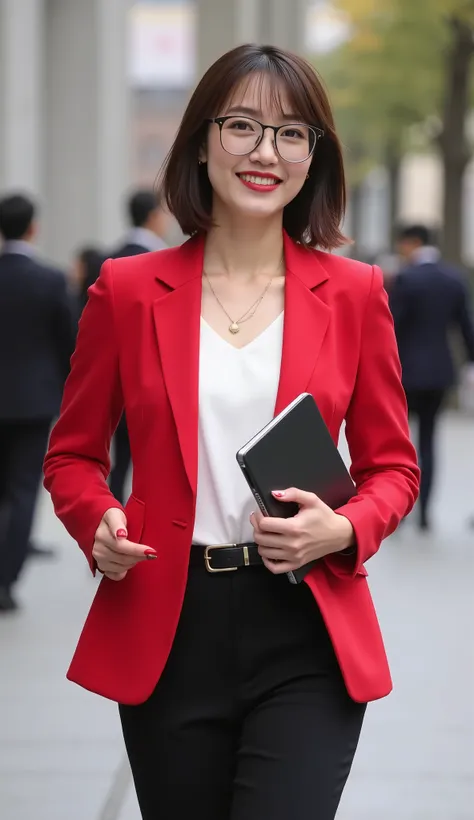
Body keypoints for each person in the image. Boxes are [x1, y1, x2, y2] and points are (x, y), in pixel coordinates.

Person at [44, 45, 419, 820]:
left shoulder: (354, 294)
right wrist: (98, 521)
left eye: (291, 133)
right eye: (243, 125)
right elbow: (74, 454)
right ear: (202, 140)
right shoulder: (128, 290)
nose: (264, 152)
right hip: (170, 626)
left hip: (306, 625)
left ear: (313, 156)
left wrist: (342, 527)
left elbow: (394, 469)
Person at [0, 192, 76, 611]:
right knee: (24, 488)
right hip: (33, 402)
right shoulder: (49, 280)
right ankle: (7, 578)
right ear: (33, 227)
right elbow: (68, 342)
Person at [391, 224, 474, 530]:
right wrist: (470, 364)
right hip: (440, 372)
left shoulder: (406, 278)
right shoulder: (453, 279)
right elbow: (466, 328)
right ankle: (426, 512)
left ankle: (400, 508)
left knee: (400, 443)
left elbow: (391, 327)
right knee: (429, 440)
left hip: (406, 373)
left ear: (412, 243)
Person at [108, 189, 168, 505]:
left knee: (120, 455)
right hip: (154, 375)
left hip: (117, 372)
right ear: (153, 216)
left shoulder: (111, 258)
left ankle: (115, 513)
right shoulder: (162, 263)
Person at [71, 245, 107, 315]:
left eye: (77, 268)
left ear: (85, 270)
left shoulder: (77, 304)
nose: (72, 272)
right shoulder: (103, 300)